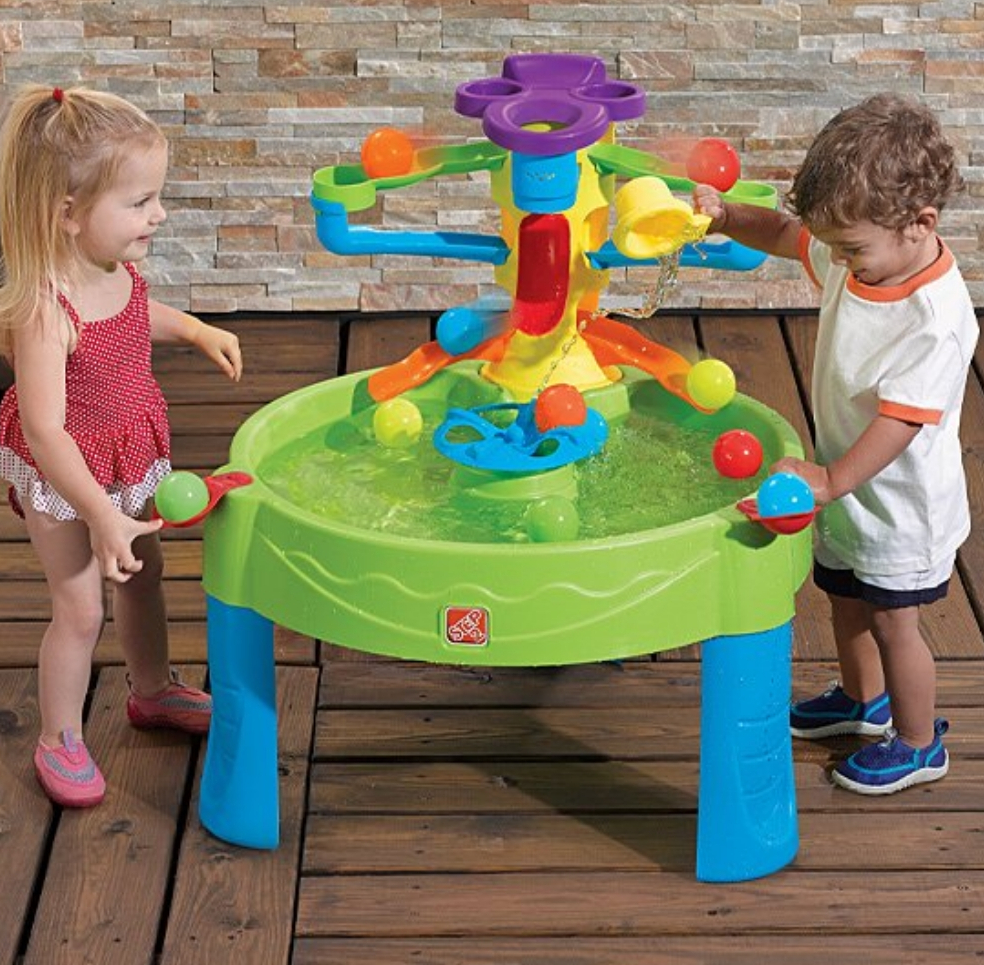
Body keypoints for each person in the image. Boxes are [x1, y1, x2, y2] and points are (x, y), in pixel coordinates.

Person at [693, 93, 978, 795]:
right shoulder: (865, 258)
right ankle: (861, 701)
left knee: (895, 621)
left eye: (852, 250)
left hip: (900, 505)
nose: (839, 263)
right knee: (843, 599)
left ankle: (917, 742)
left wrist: (829, 480)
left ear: (920, 224)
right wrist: (727, 216)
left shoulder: (934, 318)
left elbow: (900, 422)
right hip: (848, 487)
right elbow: (790, 235)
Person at [0, 85, 243, 807]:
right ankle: (57, 736)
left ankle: (151, 690)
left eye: (155, 197)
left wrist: (195, 329)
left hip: (129, 449)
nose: (158, 214)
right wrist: (100, 515)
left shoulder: (113, 271)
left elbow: (139, 312)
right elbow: (45, 430)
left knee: (143, 574)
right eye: (139, 203)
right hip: (66, 472)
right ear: (67, 215)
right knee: (79, 606)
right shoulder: (47, 310)